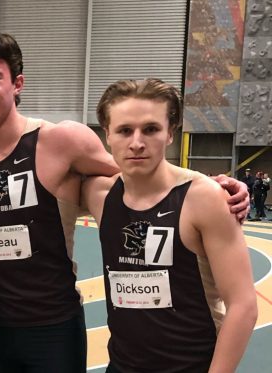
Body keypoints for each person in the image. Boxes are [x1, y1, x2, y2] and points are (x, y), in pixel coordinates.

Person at [0, 33, 250, 372]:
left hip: (54, 324)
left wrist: (210, 184)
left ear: (17, 84)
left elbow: (139, 174)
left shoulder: (63, 141)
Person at [81, 78, 257, 372]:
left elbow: (243, 305)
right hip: (122, 366)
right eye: (125, 130)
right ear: (107, 135)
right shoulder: (98, 194)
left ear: (170, 133)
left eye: (150, 129)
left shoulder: (204, 198)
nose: (137, 143)